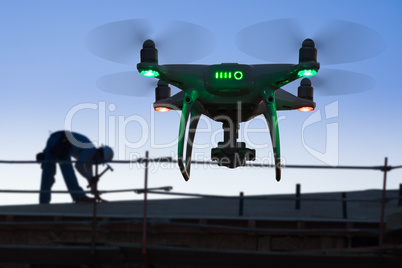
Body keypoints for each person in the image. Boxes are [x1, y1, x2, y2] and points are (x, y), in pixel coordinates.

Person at [38, 131, 114, 204]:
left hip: (54, 139)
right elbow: (78, 166)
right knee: (67, 170)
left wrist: (94, 191)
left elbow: (88, 174)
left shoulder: (90, 157)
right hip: (61, 140)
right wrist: (91, 178)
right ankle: (78, 197)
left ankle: (43, 202)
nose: (98, 164)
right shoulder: (91, 150)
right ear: (101, 156)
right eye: (101, 162)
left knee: (48, 173)